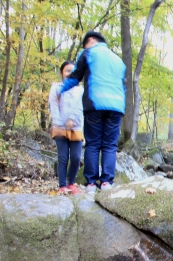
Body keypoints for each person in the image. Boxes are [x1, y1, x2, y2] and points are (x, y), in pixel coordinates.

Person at [58, 31, 126, 193]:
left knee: (93, 144)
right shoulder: (118, 60)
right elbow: (124, 87)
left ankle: (91, 184)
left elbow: (75, 77)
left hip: (95, 103)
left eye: (85, 44)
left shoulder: (89, 52)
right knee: (110, 145)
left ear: (90, 40)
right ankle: (107, 183)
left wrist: (60, 90)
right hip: (116, 106)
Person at [49, 61, 84, 195]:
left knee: (75, 157)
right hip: (59, 127)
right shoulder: (56, 88)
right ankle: (62, 185)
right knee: (63, 157)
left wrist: (72, 120)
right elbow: (54, 106)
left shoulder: (81, 90)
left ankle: (71, 183)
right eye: (67, 71)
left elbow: (80, 107)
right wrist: (59, 124)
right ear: (62, 73)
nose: (70, 73)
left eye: (72, 71)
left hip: (76, 127)